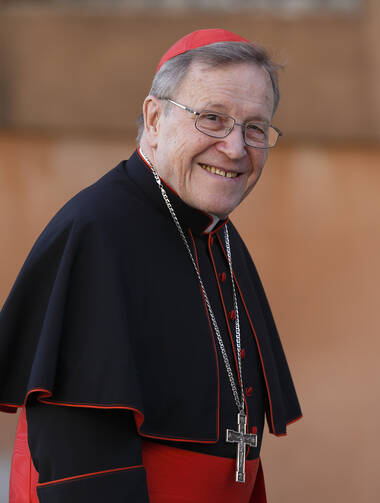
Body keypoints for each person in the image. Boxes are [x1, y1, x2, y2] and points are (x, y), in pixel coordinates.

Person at [0, 28, 302, 503]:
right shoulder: (98, 231)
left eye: (255, 128)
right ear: (155, 117)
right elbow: (81, 465)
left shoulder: (215, 234)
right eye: (212, 119)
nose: (237, 148)